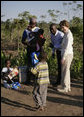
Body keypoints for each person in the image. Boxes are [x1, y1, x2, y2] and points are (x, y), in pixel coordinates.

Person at [22, 18, 40, 84]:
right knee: (29, 64)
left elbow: (39, 39)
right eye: (31, 23)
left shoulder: (38, 30)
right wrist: (26, 43)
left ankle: (36, 80)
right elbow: (23, 40)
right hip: (29, 49)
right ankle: (28, 80)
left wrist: (31, 31)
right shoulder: (26, 31)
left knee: (36, 64)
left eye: (34, 23)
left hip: (36, 49)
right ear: (29, 23)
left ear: (36, 23)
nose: (32, 25)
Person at [57, 20, 73, 93]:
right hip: (66, 54)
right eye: (61, 27)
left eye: (63, 27)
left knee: (65, 71)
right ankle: (67, 86)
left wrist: (63, 57)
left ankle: (65, 87)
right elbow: (63, 45)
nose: (62, 29)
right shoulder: (66, 34)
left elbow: (67, 47)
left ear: (67, 26)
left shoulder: (69, 35)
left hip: (67, 55)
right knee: (67, 71)